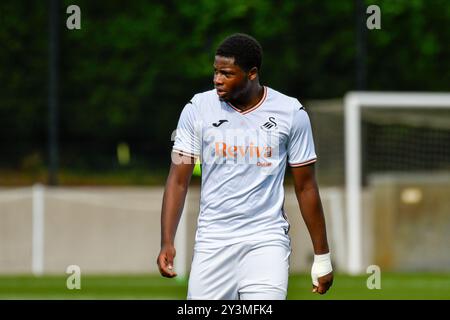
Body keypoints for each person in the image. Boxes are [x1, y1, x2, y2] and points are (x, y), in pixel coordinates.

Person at [157, 33, 333, 300]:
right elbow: (178, 180)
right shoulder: (197, 109)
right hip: (212, 241)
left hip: (266, 240)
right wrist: (167, 240)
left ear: (252, 74)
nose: (217, 80)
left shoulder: (291, 114)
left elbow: (306, 187)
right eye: (215, 72)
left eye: (226, 73)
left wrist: (322, 257)